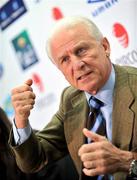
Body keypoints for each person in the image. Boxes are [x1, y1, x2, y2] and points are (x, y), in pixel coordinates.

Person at [9, 16, 137, 180]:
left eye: (81, 50)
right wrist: (21, 119)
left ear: (105, 47)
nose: (77, 65)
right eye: (65, 60)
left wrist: (126, 162)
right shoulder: (70, 98)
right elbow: (33, 160)